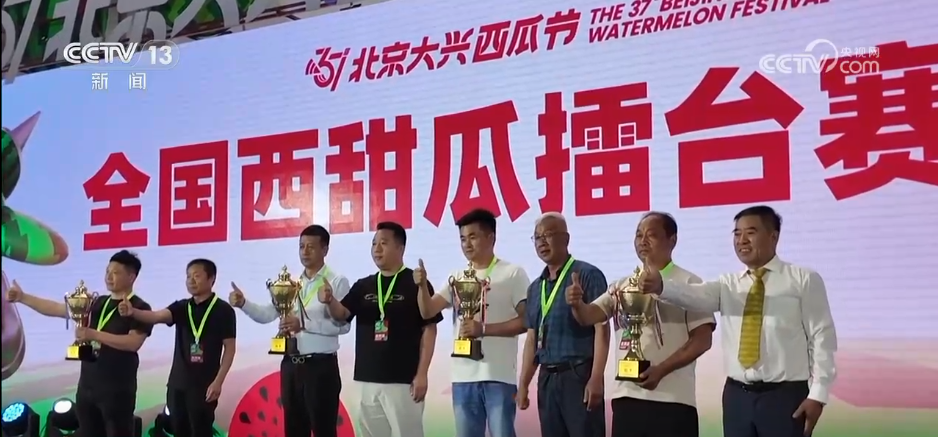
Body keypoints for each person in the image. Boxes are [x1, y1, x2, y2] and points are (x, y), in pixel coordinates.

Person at [640, 205, 838, 437]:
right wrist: (661, 286)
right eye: (737, 233)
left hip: (785, 397)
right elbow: (695, 295)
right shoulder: (729, 284)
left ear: (773, 236)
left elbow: (821, 337)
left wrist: (818, 394)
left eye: (750, 232)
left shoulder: (803, 279)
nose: (741, 240)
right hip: (737, 397)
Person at [568, 212, 715, 437]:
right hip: (627, 399)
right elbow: (589, 316)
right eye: (638, 235)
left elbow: (703, 340)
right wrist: (577, 304)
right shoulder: (622, 285)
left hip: (673, 401)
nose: (642, 241)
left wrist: (661, 370)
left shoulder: (690, 283)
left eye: (651, 235)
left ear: (672, 240)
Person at [6, 250, 153, 437]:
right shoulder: (96, 302)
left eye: (115, 272)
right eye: (107, 271)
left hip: (117, 391)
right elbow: (56, 309)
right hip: (87, 388)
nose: (109, 276)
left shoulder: (140, 308)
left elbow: (133, 343)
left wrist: (94, 334)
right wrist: (22, 297)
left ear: (131, 277)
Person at [414, 208, 530, 437]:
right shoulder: (457, 277)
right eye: (462, 239)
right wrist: (422, 286)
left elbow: (526, 320)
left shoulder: (512, 273)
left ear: (491, 237)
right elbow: (428, 310)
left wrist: (483, 329)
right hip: (463, 377)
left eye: (473, 237)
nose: (466, 244)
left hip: (498, 376)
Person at [322, 221, 443, 437]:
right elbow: (342, 315)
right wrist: (330, 300)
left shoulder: (416, 283)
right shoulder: (363, 285)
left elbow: (430, 329)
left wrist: (422, 374)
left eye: (383, 243)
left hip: (403, 381)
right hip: (367, 379)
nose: (376, 249)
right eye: (373, 243)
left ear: (400, 248)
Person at [229, 225, 351, 437]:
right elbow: (267, 314)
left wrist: (303, 325)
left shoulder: (336, 282)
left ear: (325, 249)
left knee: (324, 430)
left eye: (311, 247)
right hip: (291, 366)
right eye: (301, 246)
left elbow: (343, 326)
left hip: (320, 367)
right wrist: (244, 304)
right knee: (294, 430)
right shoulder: (291, 285)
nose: (305, 251)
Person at [118, 258, 236, 437]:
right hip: (177, 385)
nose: (191, 280)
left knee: (201, 432)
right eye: (188, 276)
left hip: (204, 386)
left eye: (197, 276)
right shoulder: (182, 307)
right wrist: (133, 312)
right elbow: (156, 316)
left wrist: (218, 382)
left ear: (211, 279)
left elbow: (229, 348)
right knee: (179, 431)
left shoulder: (223, 310)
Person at [518, 212, 609, 437]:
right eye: (537, 237)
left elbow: (602, 329)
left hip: (578, 375)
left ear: (566, 239)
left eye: (548, 235)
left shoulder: (587, 275)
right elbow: (532, 338)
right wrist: (523, 384)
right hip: (547, 378)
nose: (542, 242)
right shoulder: (535, 288)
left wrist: (596, 378)